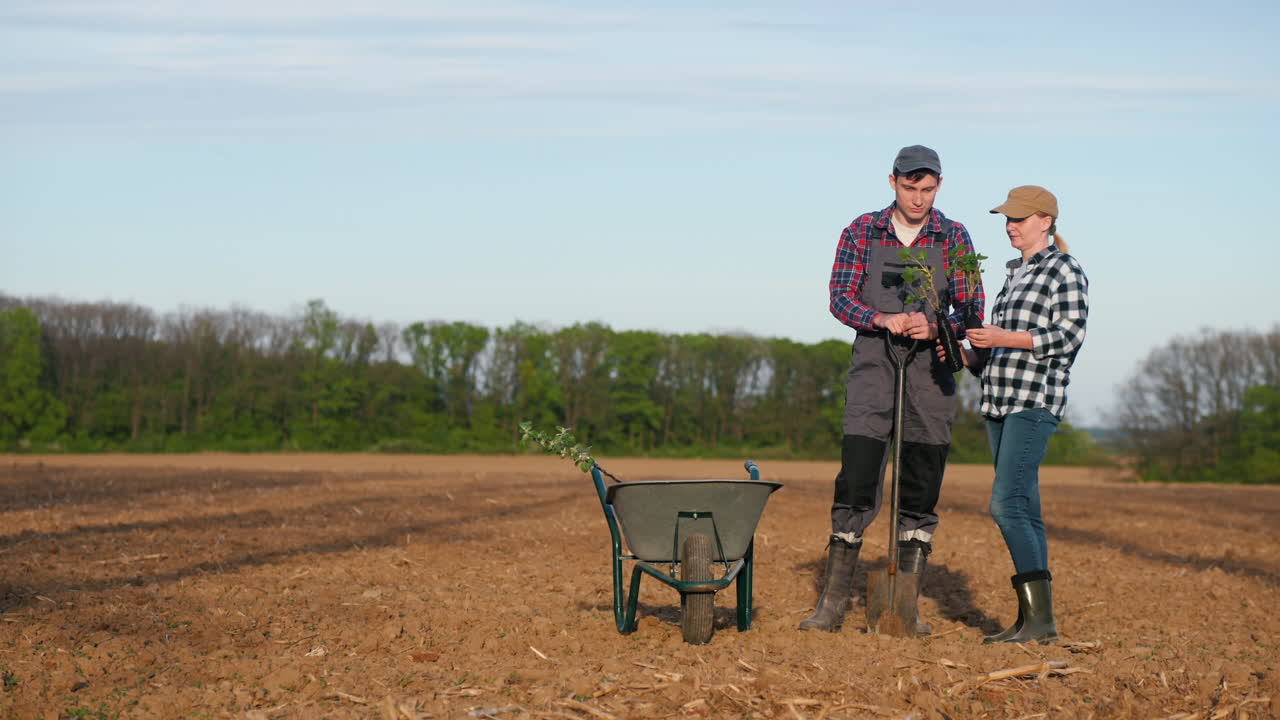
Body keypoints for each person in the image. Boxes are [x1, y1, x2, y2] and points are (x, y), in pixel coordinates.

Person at [799, 145, 984, 633]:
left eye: (927, 189)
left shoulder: (956, 238)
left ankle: (906, 605)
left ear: (938, 186)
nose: (919, 199)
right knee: (858, 479)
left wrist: (936, 324)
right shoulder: (861, 230)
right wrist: (880, 317)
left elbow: (971, 310)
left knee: (921, 485)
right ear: (892, 182)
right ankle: (833, 602)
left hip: (932, 376)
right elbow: (840, 297)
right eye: (909, 188)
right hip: (873, 370)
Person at [943, 185, 1089, 644]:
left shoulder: (1064, 269)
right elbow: (993, 356)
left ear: (1045, 221)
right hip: (998, 402)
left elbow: (1067, 337)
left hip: (1034, 401)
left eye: (1020, 219)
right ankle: (1036, 622)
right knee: (1026, 508)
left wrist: (1002, 338)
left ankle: (1040, 621)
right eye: (1007, 219)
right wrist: (962, 354)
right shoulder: (1013, 274)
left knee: (1005, 504)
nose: (1011, 225)